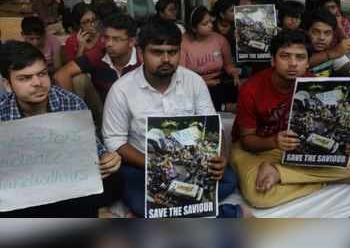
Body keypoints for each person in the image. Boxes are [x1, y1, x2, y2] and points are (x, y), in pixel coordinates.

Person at [102, 20, 246, 218]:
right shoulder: (121, 90)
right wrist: (154, 164)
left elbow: (212, 125)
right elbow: (114, 140)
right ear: (141, 53)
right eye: (157, 52)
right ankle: (228, 214)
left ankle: (167, 208)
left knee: (228, 179)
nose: (166, 59)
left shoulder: (193, 81)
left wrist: (220, 157)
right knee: (140, 196)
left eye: (172, 52)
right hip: (143, 167)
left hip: (192, 164)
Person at [230, 30, 350, 208]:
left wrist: (347, 141)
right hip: (256, 148)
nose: (293, 63)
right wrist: (274, 141)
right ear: (273, 60)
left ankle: (279, 174)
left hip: (294, 145)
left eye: (300, 57)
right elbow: (246, 141)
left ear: (308, 63)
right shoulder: (251, 89)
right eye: (285, 56)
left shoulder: (313, 83)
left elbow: (327, 125)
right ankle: (318, 180)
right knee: (258, 196)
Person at [0, 41, 121, 217]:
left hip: (66, 187)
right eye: (25, 78)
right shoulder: (2, 112)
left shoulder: (70, 102)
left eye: (42, 74)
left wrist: (108, 158)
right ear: (8, 85)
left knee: (116, 181)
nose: (37, 83)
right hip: (23, 192)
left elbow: (95, 150)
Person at [54, 13, 142, 105]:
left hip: (136, 109)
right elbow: (61, 75)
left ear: (131, 42)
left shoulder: (143, 59)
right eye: (106, 38)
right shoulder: (99, 54)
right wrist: (75, 107)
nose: (109, 44)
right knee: (78, 79)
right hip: (103, 109)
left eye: (116, 39)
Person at [180, 6, 240, 111]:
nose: (210, 25)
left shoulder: (219, 39)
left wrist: (234, 73)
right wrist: (204, 82)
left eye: (210, 22)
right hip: (192, 85)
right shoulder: (183, 43)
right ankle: (223, 107)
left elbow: (228, 64)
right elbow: (181, 75)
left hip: (218, 82)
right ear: (194, 28)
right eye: (205, 24)